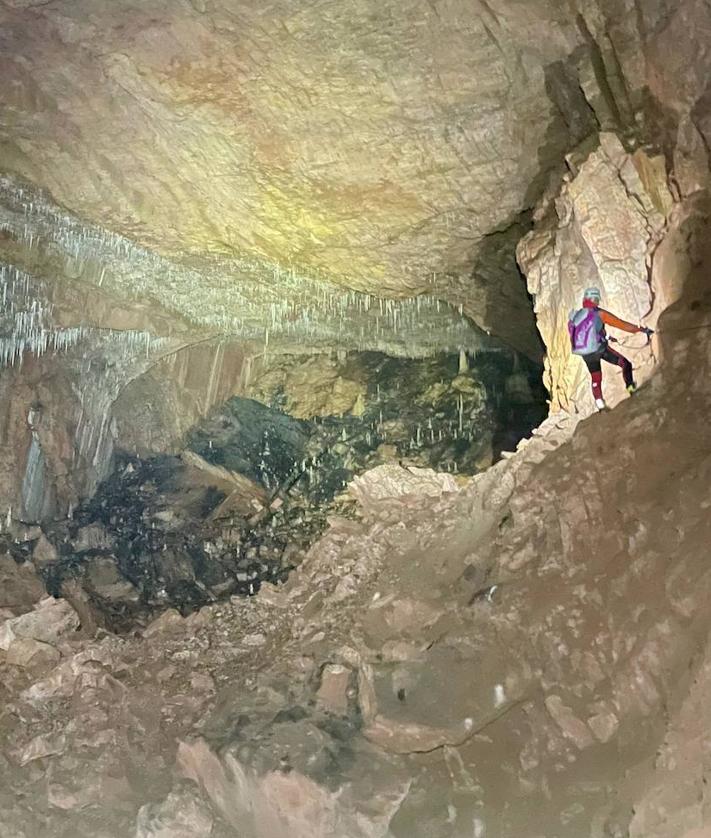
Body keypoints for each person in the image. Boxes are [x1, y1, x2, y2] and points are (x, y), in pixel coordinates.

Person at [568, 287, 653, 410]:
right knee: (625, 364)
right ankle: (631, 388)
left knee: (596, 377)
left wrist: (606, 336)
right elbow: (622, 324)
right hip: (599, 349)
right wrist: (641, 329)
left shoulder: (576, 316)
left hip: (585, 354)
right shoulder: (599, 313)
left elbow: (586, 332)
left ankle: (600, 404)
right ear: (594, 299)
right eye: (597, 299)